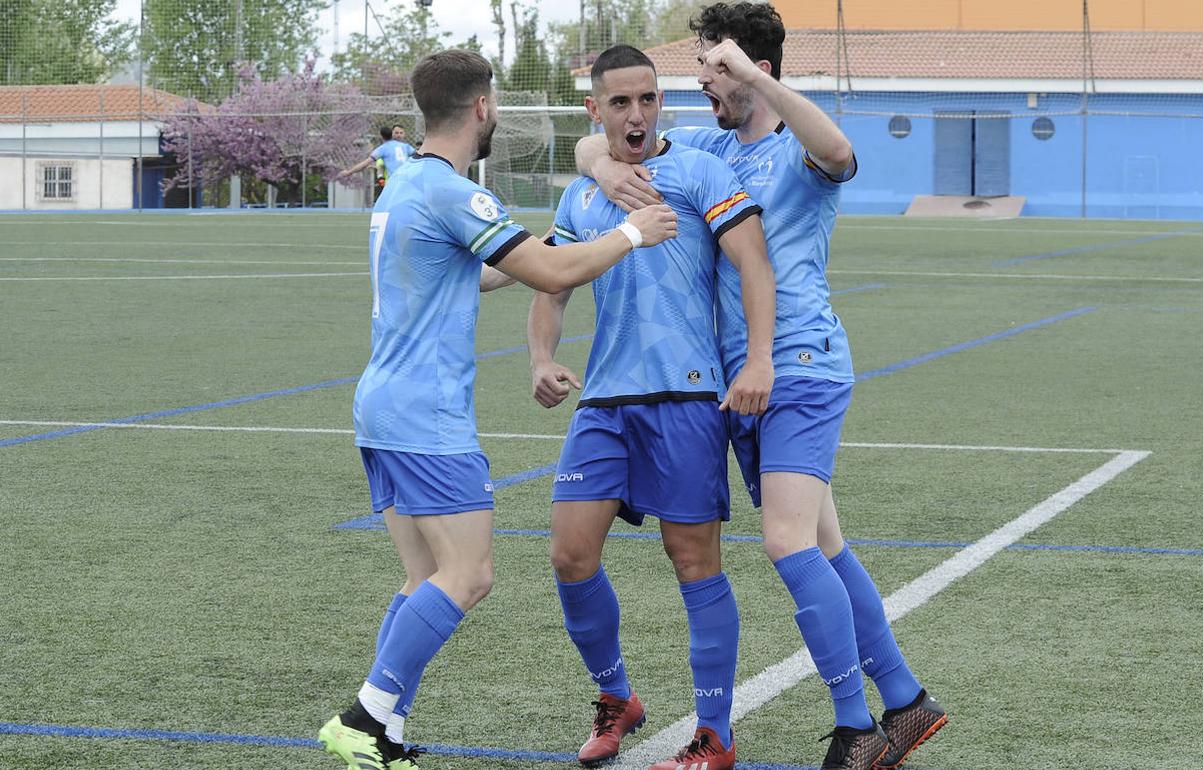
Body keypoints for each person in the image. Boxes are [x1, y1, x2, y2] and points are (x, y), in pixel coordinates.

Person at [573, 4, 948, 769]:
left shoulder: (798, 152)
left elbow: (840, 150)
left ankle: (856, 731)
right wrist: (601, 164)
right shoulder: (709, 145)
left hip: (797, 366)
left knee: (784, 542)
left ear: (757, 73)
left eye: (718, 69)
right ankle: (906, 702)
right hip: (738, 383)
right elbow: (599, 141)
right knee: (825, 547)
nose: (703, 83)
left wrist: (758, 81)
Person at [316, 48, 678, 770]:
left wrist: (556, 239)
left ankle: (380, 731)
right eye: (497, 106)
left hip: (383, 409)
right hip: (426, 417)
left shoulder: (405, 183)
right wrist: (633, 233)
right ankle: (364, 716)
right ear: (481, 108)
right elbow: (547, 273)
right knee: (469, 575)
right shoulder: (452, 192)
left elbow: (482, 270)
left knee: (424, 580)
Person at [530, 44, 775, 770]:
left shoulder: (701, 171)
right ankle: (618, 700)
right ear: (595, 109)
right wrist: (542, 358)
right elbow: (551, 285)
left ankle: (715, 735)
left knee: (693, 560)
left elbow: (753, 264)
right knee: (569, 556)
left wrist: (758, 359)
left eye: (648, 99)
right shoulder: (583, 193)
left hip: (688, 397)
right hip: (604, 401)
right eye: (620, 103)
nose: (637, 115)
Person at [339, 124, 419, 188]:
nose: (399, 135)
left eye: (401, 133)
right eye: (397, 133)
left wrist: (349, 172)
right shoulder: (406, 146)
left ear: (381, 136)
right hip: (408, 180)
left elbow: (366, 163)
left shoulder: (383, 149)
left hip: (395, 181)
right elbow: (419, 156)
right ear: (392, 134)